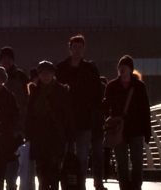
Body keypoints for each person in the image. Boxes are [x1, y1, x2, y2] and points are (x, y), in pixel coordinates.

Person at [56, 35, 104, 188]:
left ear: (83, 49)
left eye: (80, 47)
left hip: (84, 120)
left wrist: (92, 109)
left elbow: (98, 93)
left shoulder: (90, 69)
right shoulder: (61, 68)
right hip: (65, 121)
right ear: (70, 49)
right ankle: (66, 184)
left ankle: (80, 185)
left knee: (82, 157)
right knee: (64, 155)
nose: (77, 50)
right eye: (74, 47)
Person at [103, 55, 151, 190]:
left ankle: (136, 187)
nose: (122, 69)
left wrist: (147, 131)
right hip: (119, 129)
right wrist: (108, 122)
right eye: (120, 67)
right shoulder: (112, 86)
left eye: (125, 67)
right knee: (121, 162)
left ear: (130, 69)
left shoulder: (139, 87)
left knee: (137, 162)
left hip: (136, 129)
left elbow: (145, 110)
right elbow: (106, 107)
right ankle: (124, 187)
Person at [25, 61, 72, 190]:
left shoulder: (61, 91)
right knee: (42, 174)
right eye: (43, 73)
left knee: (54, 172)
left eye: (48, 73)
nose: (46, 76)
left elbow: (67, 115)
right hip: (40, 138)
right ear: (39, 75)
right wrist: (28, 133)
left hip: (56, 137)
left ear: (53, 74)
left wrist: (68, 135)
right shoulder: (34, 92)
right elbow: (29, 115)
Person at [0, 46, 31, 190]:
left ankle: (11, 183)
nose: (6, 61)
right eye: (4, 59)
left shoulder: (20, 76)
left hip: (16, 124)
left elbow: (27, 100)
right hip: (0, 125)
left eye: (9, 59)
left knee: (13, 157)